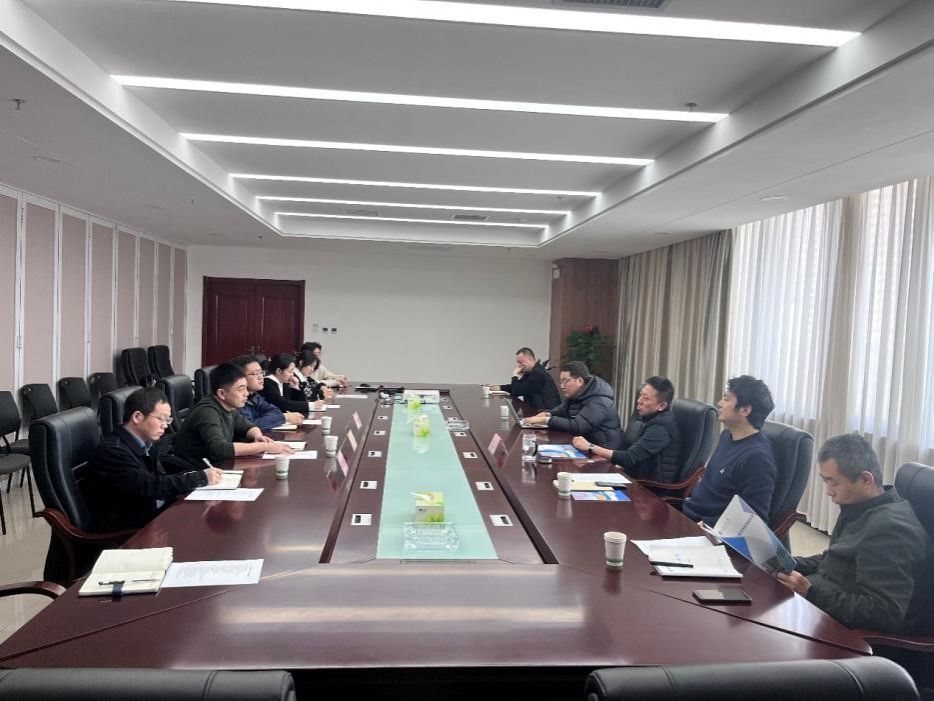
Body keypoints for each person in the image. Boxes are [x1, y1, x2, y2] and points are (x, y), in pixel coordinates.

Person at [776, 433, 929, 633]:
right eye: (825, 481)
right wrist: (789, 563)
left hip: (842, 630)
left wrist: (810, 591)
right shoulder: (858, 507)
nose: (829, 491)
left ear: (866, 479)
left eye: (834, 482)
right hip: (821, 607)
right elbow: (835, 559)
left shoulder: (889, 529)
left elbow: (884, 612)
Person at [83, 387, 223, 531]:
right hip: (132, 529)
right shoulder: (113, 452)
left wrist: (191, 475)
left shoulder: (147, 443)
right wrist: (198, 478)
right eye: (160, 419)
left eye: (168, 420)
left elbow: (157, 479)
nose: (165, 425)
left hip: (155, 514)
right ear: (137, 417)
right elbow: (149, 485)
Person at [682, 375, 776, 526]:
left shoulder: (757, 458)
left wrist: (707, 525)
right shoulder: (727, 436)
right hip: (688, 514)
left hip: (705, 528)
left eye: (726, 399)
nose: (719, 403)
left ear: (745, 409)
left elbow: (753, 519)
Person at [174, 363, 294, 465]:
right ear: (222, 393)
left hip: (216, 467)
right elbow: (220, 449)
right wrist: (265, 446)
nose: (246, 393)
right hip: (195, 471)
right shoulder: (208, 412)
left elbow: (248, 426)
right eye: (241, 389)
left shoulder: (229, 406)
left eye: (246, 388)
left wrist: (258, 436)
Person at [572, 376, 681, 481]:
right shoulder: (651, 419)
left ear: (661, 406)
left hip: (650, 487)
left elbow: (628, 458)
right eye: (640, 395)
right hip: (634, 477)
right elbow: (629, 452)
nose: (639, 401)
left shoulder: (660, 429)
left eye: (646, 398)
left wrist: (590, 446)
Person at [523, 361, 622, 448]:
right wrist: (548, 414)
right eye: (561, 381)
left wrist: (546, 420)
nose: (562, 386)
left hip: (603, 450)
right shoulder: (577, 394)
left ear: (580, 381)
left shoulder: (599, 400)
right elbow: (561, 411)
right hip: (584, 444)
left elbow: (578, 426)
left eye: (565, 381)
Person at [232, 355, 304, 430]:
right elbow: (250, 426)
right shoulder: (236, 400)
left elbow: (275, 411)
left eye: (261, 372)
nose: (261, 377)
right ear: (240, 378)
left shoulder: (255, 396)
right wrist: (285, 417)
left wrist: (274, 418)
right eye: (255, 373)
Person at [487, 347, 560, 412]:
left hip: (546, 414)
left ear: (530, 359)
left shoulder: (539, 374)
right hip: (537, 412)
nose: (519, 366)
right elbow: (520, 386)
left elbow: (517, 391)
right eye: (518, 363)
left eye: (521, 362)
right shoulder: (531, 372)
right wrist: (500, 387)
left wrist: (515, 376)